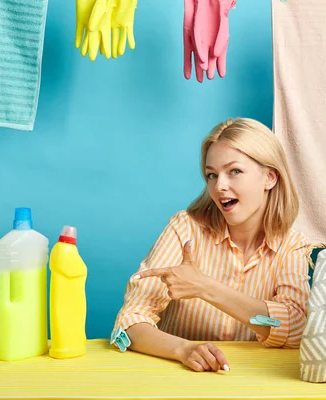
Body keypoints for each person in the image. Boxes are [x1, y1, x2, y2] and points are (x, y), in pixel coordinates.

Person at [112, 118, 311, 372]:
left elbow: (296, 329)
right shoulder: (184, 228)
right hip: (178, 380)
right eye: (211, 175)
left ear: (270, 178)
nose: (219, 186)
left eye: (234, 171)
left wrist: (204, 287)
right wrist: (183, 350)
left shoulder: (292, 246)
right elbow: (127, 324)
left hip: (253, 383)